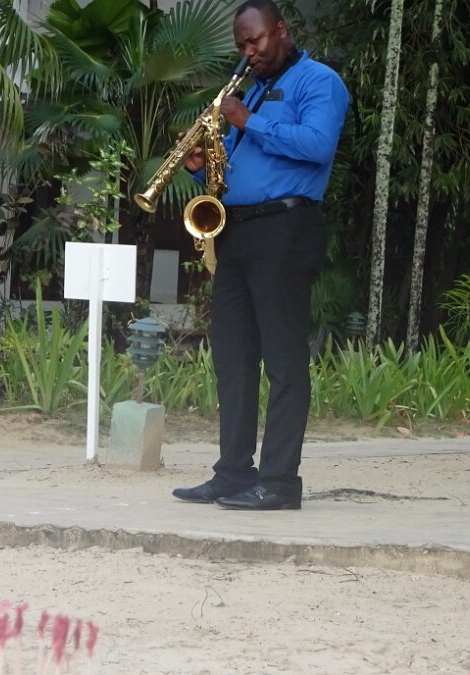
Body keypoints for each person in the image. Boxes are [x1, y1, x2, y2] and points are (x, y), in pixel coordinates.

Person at [172, 0, 349, 510]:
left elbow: (316, 145)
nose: (250, 52)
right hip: (236, 232)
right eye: (242, 45)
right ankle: (232, 473)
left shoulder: (319, 81)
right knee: (233, 359)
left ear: (281, 31)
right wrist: (201, 164)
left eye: (257, 41)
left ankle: (279, 482)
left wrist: (246, 119)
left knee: (284, 360)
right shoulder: (246, 89)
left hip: (287, 228)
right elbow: (236, 168)